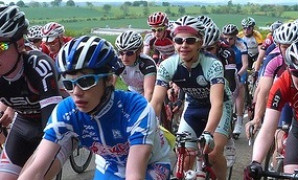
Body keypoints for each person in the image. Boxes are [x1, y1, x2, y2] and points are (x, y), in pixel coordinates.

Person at [18, 35, 172, 180]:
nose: (76, 92)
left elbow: (134, 174)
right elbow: (37, 167)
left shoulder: (136, 109)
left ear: (109, 80)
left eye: (86, 82)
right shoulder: (65, 111)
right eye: (69, 84)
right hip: (110, 166)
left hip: (152, 165)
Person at [151, 15, 233, 180]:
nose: (183, 45)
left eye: (190, 40)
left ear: (200, 42)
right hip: (193, 106)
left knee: (212, 154)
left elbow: (216, 104)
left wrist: (208, 132)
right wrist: (145, 126)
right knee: (184, 155)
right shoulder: (167, 66)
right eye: (179, 40)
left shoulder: (213, 64)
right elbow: (156, 102)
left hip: (219, 106)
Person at [0, 5, 63, 180]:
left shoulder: (38, 65)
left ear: (20, 44)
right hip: (24, 124)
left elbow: (52, 126)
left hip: (57, 126)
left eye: (1, 46)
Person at [245, 39, 298, 179]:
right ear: (289, 70)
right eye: (297, 73)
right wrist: (255, 162)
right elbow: (267, 129)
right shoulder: (283, 83)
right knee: (292, 174)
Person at [245, 22, 298, 137]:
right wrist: (257, 118)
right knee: (280, 136)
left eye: (293, 45)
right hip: (285, 98)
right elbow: (264, 91)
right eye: (285, 47)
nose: (289, 51)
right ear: (278, 45)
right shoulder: (274, 58)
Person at [202, 22, 237, 168]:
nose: (207, 53)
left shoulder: (227, 52)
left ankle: (228, 133)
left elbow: (230, 81)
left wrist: (220, 90)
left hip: (224, 85)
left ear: (218, 44)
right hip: (204, 88)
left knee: (225, 103)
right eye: (203, 49)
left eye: (210, 49)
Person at [114, 30, 157, 102]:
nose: (124, 58)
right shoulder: (119, 62)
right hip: (133, 90)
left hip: (152, 90)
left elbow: (149, 92)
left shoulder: (147, 63)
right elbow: (109, 87)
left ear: (138, 51)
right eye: (121, 53)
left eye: (129, 53)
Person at [222, 24, 248, 138]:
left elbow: (245, 64)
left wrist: (237, 75)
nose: (228, 41)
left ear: (235, 37)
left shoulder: (241, 44)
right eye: (226, 38)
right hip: (227, 69)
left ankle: (239, 120)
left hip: (239, 69)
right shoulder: (221, 44)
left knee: (240, 88)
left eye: (231, 38)